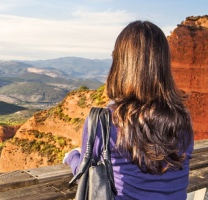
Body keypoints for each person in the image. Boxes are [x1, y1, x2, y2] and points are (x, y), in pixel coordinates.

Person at [63, 20, 194, 199]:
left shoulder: (105, 121)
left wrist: (72, 156)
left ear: (120, 63)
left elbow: (86, 174)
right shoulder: (181, 118)